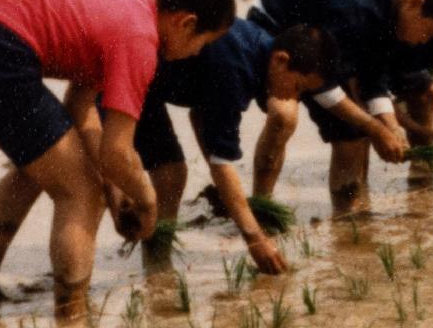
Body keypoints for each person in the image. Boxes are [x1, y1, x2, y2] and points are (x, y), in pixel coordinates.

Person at [0, 0, 236, 317]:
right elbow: (117, 152)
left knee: (44, 165)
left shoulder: (128, 11)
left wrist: (116, 191)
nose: (196, 54)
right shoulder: (140, 41)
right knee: (81, 190)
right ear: (186, 23)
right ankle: (72, 317)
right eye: (203, 43)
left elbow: (80, 107)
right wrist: (147, 201)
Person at [252, 0, 433, 210]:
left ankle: (354, 209)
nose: (426, 41)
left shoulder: (400, 9)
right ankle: (263, 207)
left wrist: (391, 126)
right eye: (429, 33)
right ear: (415, 4)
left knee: (359, 128)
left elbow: (372, 77)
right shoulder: (354, 11)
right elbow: (324, 84)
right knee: (290, 118)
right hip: (276, 27)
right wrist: (376, 128)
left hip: (325, 45)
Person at [133, 19, 346, 274]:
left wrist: (224, 188)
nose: (294, 97)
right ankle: (157, 268)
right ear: (281, 60)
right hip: (138, 79)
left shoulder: (259, 52)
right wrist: (255, 239)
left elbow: (200, 115)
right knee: (171, 175)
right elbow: (221, 162)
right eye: (297, 87)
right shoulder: (235, 68)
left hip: (156, 71)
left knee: (175, 173)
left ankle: (157, 264)